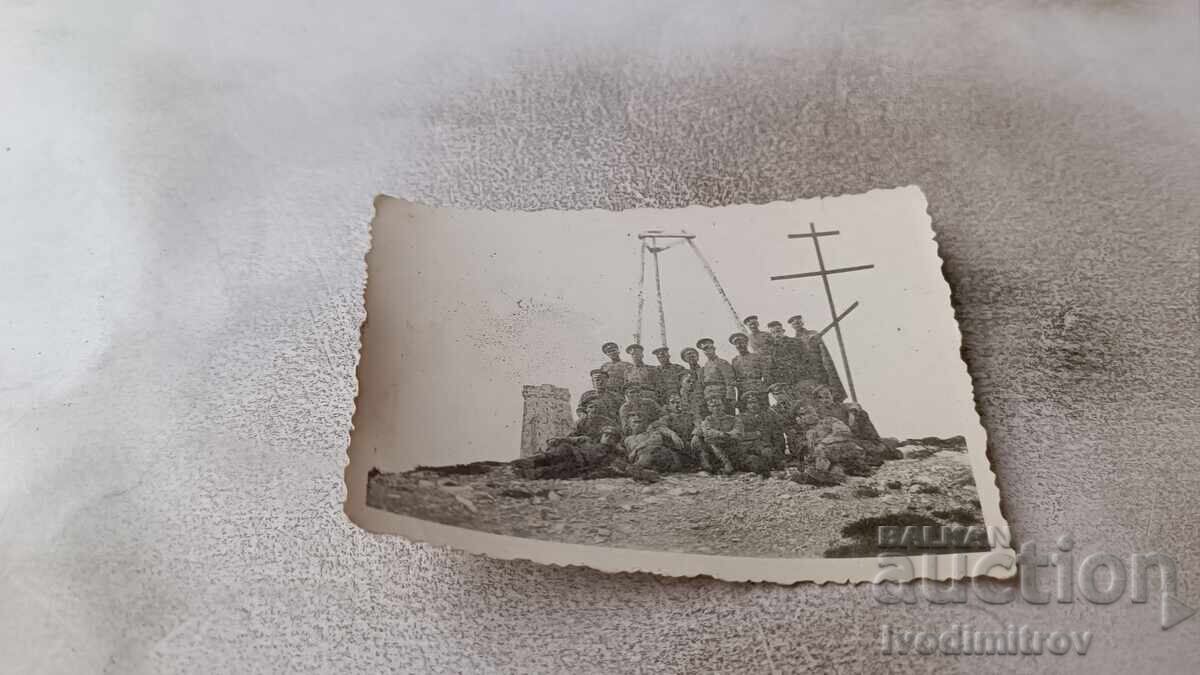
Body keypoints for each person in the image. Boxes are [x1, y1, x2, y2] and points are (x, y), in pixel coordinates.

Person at [787, 315, 847, 402]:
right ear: (792, 326)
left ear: (802, 323)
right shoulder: (794, 340)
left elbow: (823, 350)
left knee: (827, 386)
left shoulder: (813, 333)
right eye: (794, 324)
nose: (797, 325)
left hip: (819, 366)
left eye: (798, 323)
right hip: (808, 369)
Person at [736, 394, 786, 471]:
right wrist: (755, 435)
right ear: (746, 405)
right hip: (748, 449)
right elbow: (738, 435)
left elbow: (777, 435)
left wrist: (778, 451)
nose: (753, 405)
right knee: (753, 461)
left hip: (766, 447)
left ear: (759, 404)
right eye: (750, 403)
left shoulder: (767, 416)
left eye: (755, 402)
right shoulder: (740, 418)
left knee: (772, 457)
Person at [650, 393, 699, 469]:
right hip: (675, 448)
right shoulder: (667, 417)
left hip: (690, 445)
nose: (676, 405)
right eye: (673, 403)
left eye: (678, 402)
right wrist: (672, 434)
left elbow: (699, 424)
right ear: (669, 405)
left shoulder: (690, 415)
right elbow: (660, 426)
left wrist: (695, 434)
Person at [729, 332, 769, 406]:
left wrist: (765, 388)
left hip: (759, 389)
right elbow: (733, 378)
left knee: (764, 410)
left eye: (742, 342)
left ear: (746, 343)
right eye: (736, 344)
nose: (739, 345)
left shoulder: (757, 356)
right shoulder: (735, 360)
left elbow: (766, 374)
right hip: (743, 390)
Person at [697, 337, 736, 412]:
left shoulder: (722, 362)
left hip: (722, 395)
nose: (707, 351)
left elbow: (730, 381)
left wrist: (730, 398)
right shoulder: (704, 367)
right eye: (704, 349)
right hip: (709, 397)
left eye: (709, 348)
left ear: (714, 348)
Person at [678, 346, 708, 421]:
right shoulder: (684, 374)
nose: (691, 357)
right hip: (693, 403)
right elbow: (684, 391)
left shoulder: (706, 370)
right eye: (687, 356)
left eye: (693, 355)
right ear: (685, 360)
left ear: (697, 357)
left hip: (707, 401)